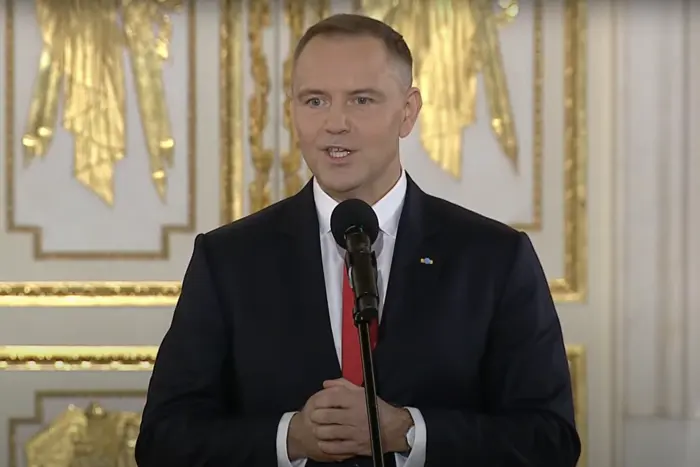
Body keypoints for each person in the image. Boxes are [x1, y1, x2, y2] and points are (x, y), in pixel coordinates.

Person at [134, 13, 581, 467]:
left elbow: (550, 441)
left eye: (361, 100)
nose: (335, 123)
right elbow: (163, 442)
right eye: (314, 101)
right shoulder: (228, 260)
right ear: (291, 110)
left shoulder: (494, 258)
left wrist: (407, 432)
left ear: (408, 111)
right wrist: (290, 439)